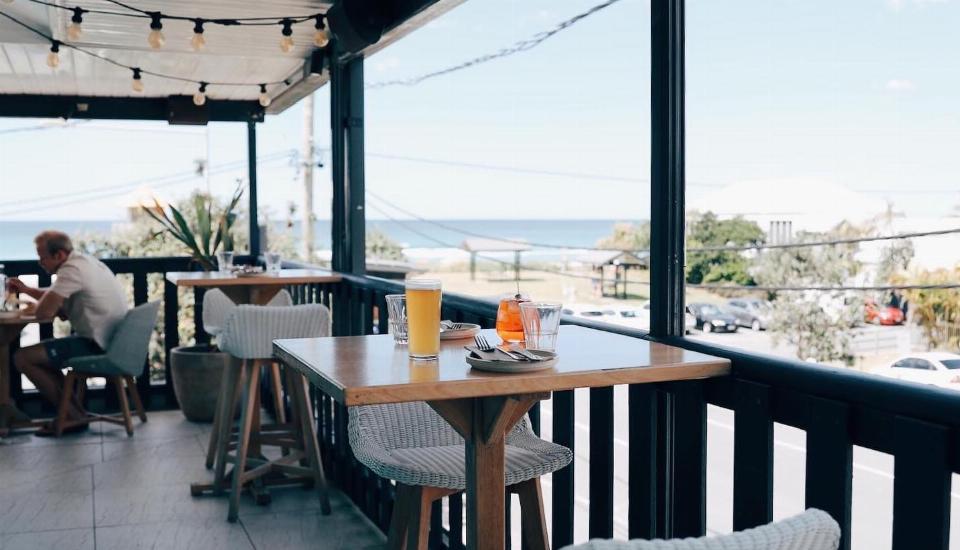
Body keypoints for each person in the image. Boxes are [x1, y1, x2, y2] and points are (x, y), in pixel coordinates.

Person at [4, 231, 129, 435]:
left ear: (59, 255)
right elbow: (55, 295)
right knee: (43, 357)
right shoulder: (83, 262)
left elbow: (45, 311)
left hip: (97, 344)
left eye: (42, 257)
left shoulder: (71, 270)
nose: (40, 262)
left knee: (23, 358)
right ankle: (73, 413)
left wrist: (29, 304)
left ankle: (71, 416)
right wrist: (26, 290)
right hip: (111, 339)